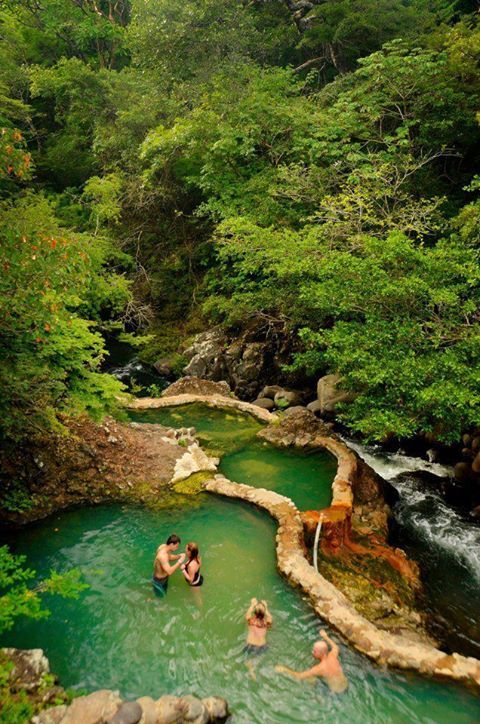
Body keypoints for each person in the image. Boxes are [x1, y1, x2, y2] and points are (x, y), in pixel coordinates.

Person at [275, 629, 348, 693]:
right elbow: (335, 647)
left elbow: (299, 676)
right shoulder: (333, 656)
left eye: (315, 651)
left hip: (335, 692)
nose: (312, 652)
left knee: (310, 679)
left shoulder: (319, 668)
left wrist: (284, 669)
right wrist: (325, 637)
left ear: (321, 653)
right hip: (345, 686)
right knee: (312, 678)